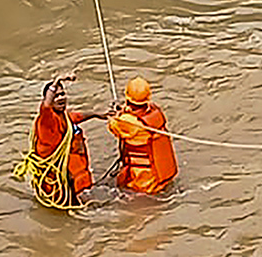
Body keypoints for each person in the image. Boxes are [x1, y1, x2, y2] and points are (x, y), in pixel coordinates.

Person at [13, 72, 110, 209]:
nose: (61, 98)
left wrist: (98, 114)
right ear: (49, 99)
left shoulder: (63, 117)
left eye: (63, 94)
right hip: (62, 186)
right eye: (56, 96)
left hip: (76, 181)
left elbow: (77, 116)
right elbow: (45, 107)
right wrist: (56, 81)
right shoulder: (46, 121)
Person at [107, 76, 179, 195]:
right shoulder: (155, 112)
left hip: (141, 178)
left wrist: (117, 113)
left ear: (128, 98)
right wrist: (125, 110)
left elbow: (112, 125)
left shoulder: (127, 121)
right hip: (159, 173)